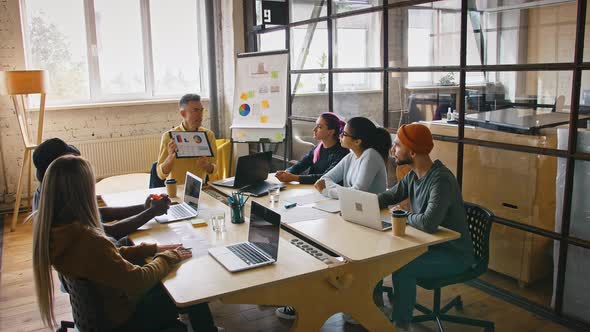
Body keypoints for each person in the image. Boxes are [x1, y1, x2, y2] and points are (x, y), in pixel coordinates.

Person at [32, 155, 218, 332]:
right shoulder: (88, 240)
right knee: (191, 291)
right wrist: (168, 256)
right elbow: (138, 280)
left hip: (98, 318)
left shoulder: (57, 231)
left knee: (168, 277)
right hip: (123, 321)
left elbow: (106, 258)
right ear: (82, 193)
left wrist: (152, 249)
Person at [376, 123, 474, 331]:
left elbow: (428, 223)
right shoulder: (413, 175)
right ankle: (380, 310)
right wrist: (362, 204)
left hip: (454, 254)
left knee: (403, 268)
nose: (393, 150)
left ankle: (401, 325)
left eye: (397, 145)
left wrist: (401, 214)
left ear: (412, 151)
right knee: (384, 257)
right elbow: (389, 196)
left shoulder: (441, 180)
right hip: (429, 246)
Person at [32, 138, 170, 242]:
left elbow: (95, 213)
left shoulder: (46, 190)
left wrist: (144, 207)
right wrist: (151, 212)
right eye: (74, 164)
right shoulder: (59, 204)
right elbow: (110, 232)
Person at [314, 116, 391, 199]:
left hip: (374, 209)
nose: (340, 136)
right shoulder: (351, 156)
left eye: (344, 134)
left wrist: (327, 191)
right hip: (354, 206)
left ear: (357, 142)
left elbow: (357, 192)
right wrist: (345, 191)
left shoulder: (371, 156)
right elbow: (324, 179)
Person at [157, 93, 217, 185]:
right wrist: (169, 159)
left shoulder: (209, 135)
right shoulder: (168, 137)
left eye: (201, 110)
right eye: (195, 110)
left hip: (199, 189)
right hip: (176, 190)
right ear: (183, 113)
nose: (200, 114)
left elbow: (214, 169)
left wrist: (207, 165)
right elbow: (161, 175)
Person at [275, 112, 349, 184]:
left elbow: (325, 178)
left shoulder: (342, 152)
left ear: (330, 132)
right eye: (316, 125)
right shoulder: (318, 148)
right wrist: (287, 173)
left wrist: (294, 178)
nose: (314, 129)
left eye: (319, 127)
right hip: (313, 189)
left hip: (330, 193)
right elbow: (301, 164)